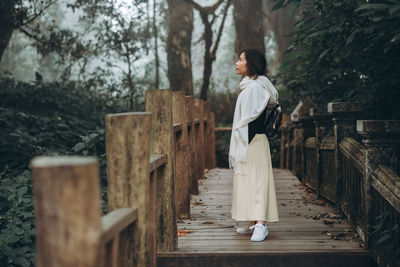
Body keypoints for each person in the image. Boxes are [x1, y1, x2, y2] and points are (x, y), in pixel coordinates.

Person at [229, 48, 279, 242]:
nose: (237, 63)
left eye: (240, 59)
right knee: (248, 181)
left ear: (250, 64)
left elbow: (251, 118)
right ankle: (253, 222)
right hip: (248, 142)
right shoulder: (250, 85)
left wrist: (244, 143)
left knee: (258, 182)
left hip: (254, 141)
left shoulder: (256, 87)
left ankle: (261, 224)